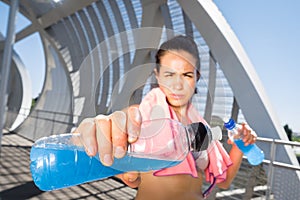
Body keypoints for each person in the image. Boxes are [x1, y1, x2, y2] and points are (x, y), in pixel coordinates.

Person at [74, 35, 258, 200]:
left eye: (186, 75)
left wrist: (240, 145)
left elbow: (224, 181)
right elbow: (123, 125)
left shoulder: (201, 128)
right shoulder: (144, 116)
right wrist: (102, 135)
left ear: (196, 77)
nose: (178, 85)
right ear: (158, 76)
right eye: (169, 74)